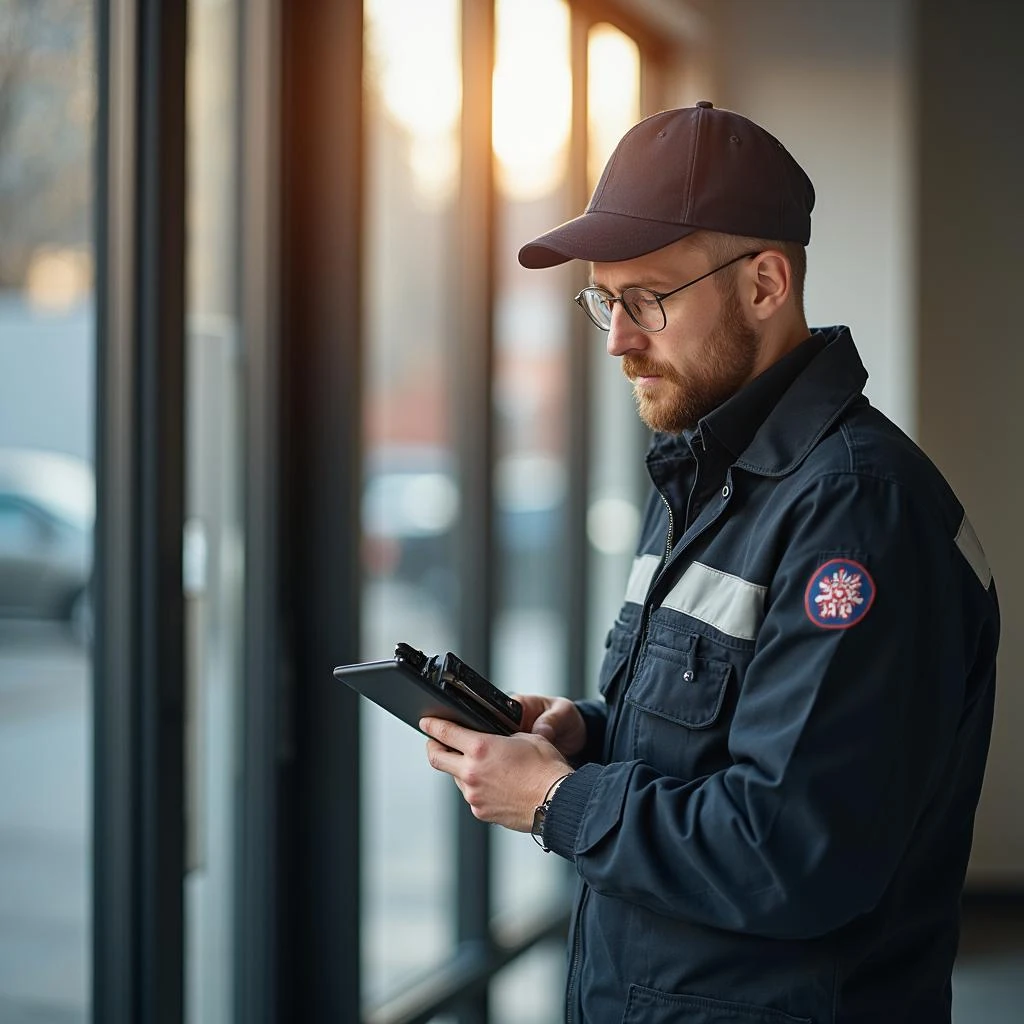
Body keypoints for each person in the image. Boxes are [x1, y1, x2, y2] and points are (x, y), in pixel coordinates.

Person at [419, 102, 999, 1023]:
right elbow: (736, 737)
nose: (617, 339)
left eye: (647, 299)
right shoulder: (702, 473)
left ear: (767, 283)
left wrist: (559, 802)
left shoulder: (858, 510)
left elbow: (795, 850)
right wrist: (589, 734)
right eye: (604, 301)